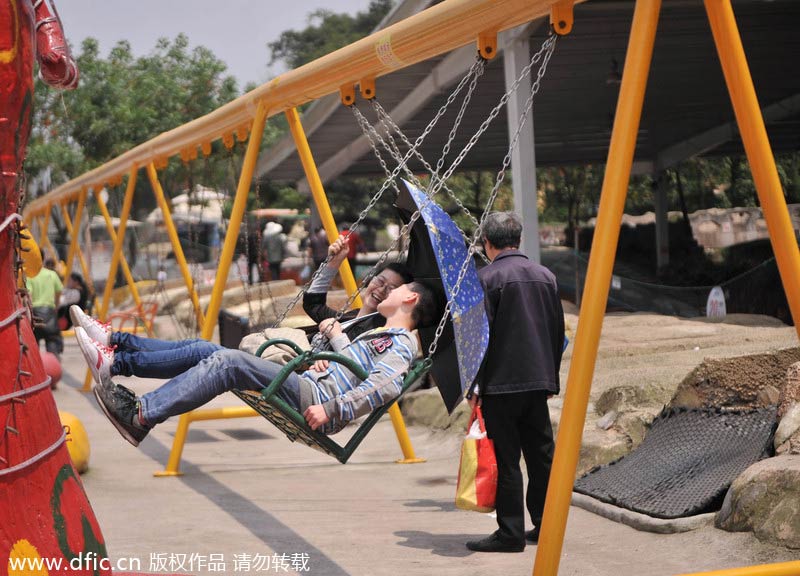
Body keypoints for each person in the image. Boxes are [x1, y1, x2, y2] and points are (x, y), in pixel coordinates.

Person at [73, 281, 438, 447]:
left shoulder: (402, 343)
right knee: (207, 353)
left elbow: (385, 385)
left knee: (228, 361)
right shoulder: (377, 336)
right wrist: (329, 350)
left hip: (316, 400)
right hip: (311, 384)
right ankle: (115, 353)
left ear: (410, 297)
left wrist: (331, 407)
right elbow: (352, 364)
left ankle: (141, 414)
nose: (387, 291)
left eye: (394, 288)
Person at [465, 211, 565, 553]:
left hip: (500, 385)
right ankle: (547, 523)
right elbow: (557, 332)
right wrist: (551, 379)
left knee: (507, 459)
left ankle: (510, 533)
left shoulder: (485, 279)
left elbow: (480, 339)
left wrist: (474, 387)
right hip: (538, 380)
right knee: (542, 457)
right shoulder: (546, 276)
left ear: (487, 244)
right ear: (518, 240)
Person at [303, 234, 413, 341]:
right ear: (371, 280)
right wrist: (333, 263)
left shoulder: (378, 335)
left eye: (391, 289)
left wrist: (337, 337)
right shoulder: (353, 316)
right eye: (380, 281)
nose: (381, 290)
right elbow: (313, 305)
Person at [26, 257, 64, 357]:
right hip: (50, 312)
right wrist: (56, 306)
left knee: (33, 346)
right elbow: (59, 291)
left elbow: (28, 296)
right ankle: (54, 367)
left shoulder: (30, 276)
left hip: (35, 313)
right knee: (52, 341)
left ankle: (36, 369)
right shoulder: (52, 274)